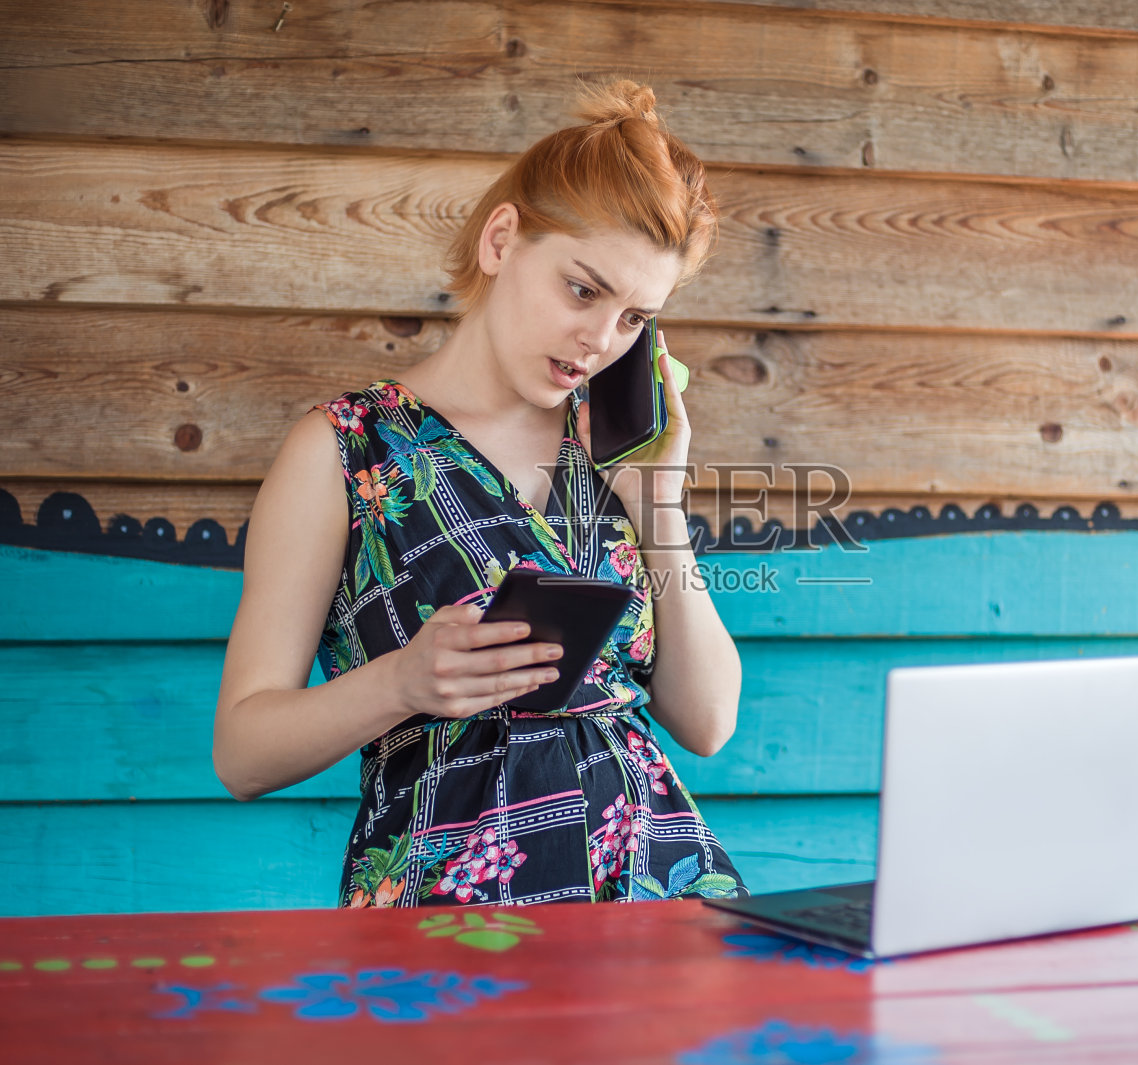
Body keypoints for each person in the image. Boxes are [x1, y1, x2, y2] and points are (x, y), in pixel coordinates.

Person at [214, 79, 748, 907]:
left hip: (654, 892)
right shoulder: (345, 449)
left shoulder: (617, 447)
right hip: (449, 918)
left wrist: (658, 501)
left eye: (636, 318)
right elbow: (241, 753)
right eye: (583, 289)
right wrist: (401, 683)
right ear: (503, 240)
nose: (600, 340)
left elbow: (708, 721)